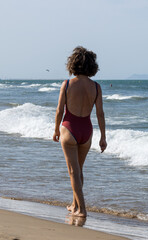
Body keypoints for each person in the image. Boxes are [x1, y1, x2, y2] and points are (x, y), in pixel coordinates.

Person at [53, 46, 107, 217]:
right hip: (87, 131)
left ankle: (82, 209)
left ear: (73, 64)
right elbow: (100, 114)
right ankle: (74, 205)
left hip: (69, 129)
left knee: (73, 171)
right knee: (78, 170)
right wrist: (103, 138)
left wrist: (55, 129)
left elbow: (59, 111)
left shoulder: (68, 84)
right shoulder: (96, 87)